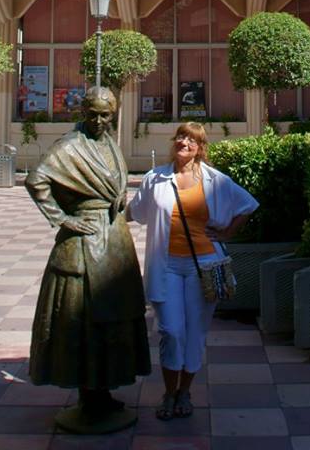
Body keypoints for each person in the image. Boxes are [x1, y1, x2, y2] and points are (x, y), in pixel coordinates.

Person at [26, 87, 150, 433]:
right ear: (83, 112)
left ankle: (103, 390)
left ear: (113, 114)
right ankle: (89, 396)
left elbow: (113, 181)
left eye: (105, 115)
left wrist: (119, 197)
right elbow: (36, 181)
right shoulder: (70, 145)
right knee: (84, 320)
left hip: (113, 238)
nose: (98, 121)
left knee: (114, 318)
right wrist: (63, 219)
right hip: (85, 242)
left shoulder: (109, 142)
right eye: (92, 114)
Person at [126, 121, 258, 421]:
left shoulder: (215, 180)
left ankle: (184, 392)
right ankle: (169, 392)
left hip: (204, 267)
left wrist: (226, 234)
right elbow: (135, 212)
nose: (184, 142)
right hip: (167, 266)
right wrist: (107, 215)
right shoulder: (155, 178)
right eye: (181, 137)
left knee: (195, 333)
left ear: (200, 148)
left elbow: (247, 205)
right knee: (171, 332)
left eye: (192, 140)